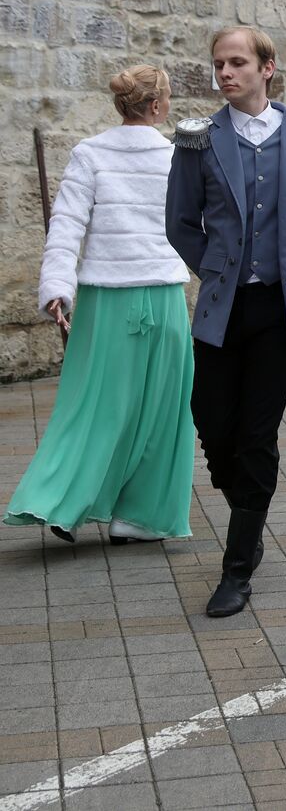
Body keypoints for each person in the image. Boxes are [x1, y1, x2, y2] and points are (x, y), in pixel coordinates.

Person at [166, 26, 286, 617]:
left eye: (237, 62)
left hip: (279, 311)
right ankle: (250, 506)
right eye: (219, 63)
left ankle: (237, 566)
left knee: (256, 434)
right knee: (212, 423)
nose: (225, 73)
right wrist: (214, 269)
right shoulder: (199, 141)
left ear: (267, 68)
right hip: (223, 305)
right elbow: (180, 222)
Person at [6, 65, 195, 545]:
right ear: (157, 107)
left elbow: (65, 226)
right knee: (160, 413)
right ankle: (139, 517)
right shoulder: (179, 158)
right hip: (164, 298)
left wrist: (56, 289)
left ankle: (59, 502)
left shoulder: (88, 154)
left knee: (90, 408)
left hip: (103, 299)